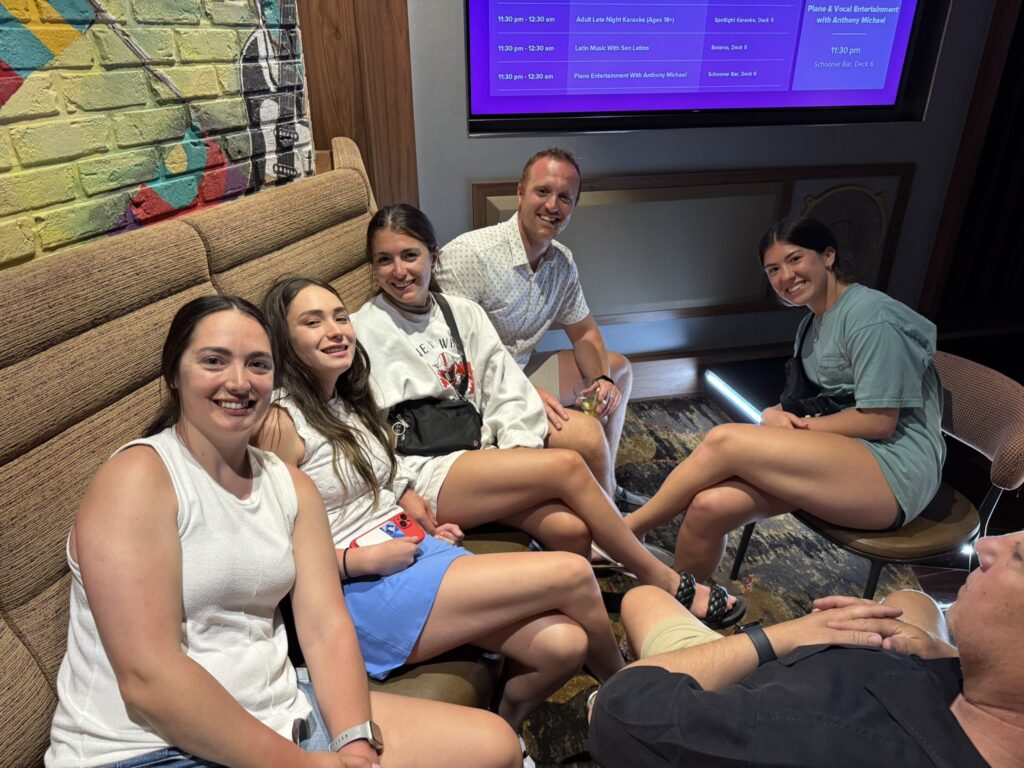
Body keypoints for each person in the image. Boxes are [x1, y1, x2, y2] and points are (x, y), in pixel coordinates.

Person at [45, 295, 519, 768]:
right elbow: (149, 679)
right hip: (143, 748)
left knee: (494, 745)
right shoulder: (138, 478)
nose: (239, 382)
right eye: (214, 361)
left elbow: (325, 627)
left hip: (277, 710)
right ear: (174, 374)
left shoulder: (289, 485)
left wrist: (354, 742)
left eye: (257, 364)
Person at [257, 276, 628, 738]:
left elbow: (379, 482)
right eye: (312, 322)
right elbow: (265, 550)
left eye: (340, 317)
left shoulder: (348, 400)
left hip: (409, 548)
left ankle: (507, 732)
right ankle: (631, 692)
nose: (335, 331)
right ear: (283, 340)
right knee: (573, 574)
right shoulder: (279, 422)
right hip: (361, 590)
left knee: (564, 645)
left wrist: (413, 515)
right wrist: (357, 562)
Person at [351, 203, 745, 630]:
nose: (399, 271)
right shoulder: (362, 330)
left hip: (480, 457)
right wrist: (402, 489)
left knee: (572, 530)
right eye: (384, 260)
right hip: (428, 470)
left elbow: (508, 389)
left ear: (433, 255)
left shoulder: (460, 313)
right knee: (568, 465)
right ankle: (661, 580)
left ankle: (583, 625)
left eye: (410, 255)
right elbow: (360, 429)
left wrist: (515, 459)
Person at [625, 216, 946, 579]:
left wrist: (798, 429)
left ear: (827, 256)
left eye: (795, 259)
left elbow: (878, 421)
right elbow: (815, 399)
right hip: (843, 452)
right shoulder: (812, 322)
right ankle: (685, 612)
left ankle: (628, 531)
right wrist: (772, 413)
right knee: (708, 506)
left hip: (893, 470)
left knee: (724, 440)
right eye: (773, 269)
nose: (785, 277)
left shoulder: (871, 318)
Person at [589, 533, 1024, 767]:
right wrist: (943, 655)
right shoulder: (980, 695)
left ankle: (627, 541)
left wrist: (787, 634)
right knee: (915, 601)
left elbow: (623, 710)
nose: (987, 546)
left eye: (1020, 557)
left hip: (744, 688)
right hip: (857, 670)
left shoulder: (813, 735)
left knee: (642, 600)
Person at [435, 148, 646, 510]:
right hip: (477, 389)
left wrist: (602, 381)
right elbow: (449, 356)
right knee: (589, 435)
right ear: (520, 193)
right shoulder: (471, 255)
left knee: (618, 371)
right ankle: (611, 526)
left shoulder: (561, 261)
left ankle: (604, 483)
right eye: (543, 191)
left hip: (519, 371)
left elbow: (585, 334)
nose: (553, 205)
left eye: (565, 197)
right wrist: (522, 392)